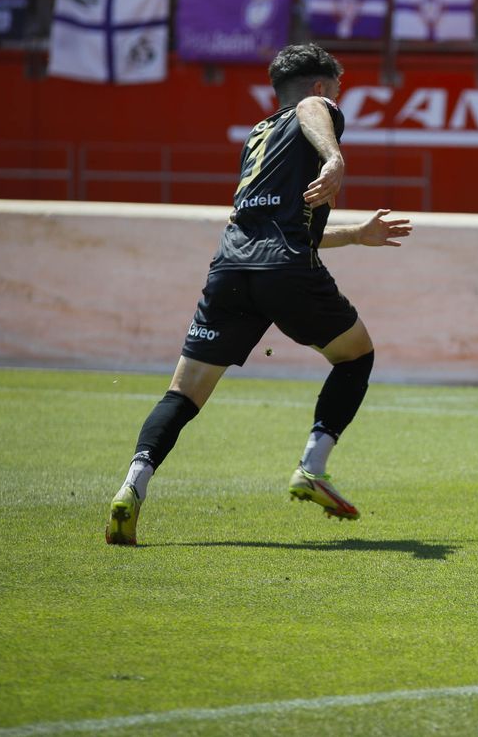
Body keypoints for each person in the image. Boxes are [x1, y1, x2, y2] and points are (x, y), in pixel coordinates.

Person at [106, 44, 413, 546]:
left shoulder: (258, 135)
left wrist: (355, 233)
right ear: (320, 87)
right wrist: (335, 156)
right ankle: (311, 468)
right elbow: (315, 111)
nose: (337, 102)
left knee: (183, 393)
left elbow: (284, 223)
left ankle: (131, 487)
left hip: (229, 269)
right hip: (286, 270)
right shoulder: (316, 110)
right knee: (356, 356)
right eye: (335, 91)